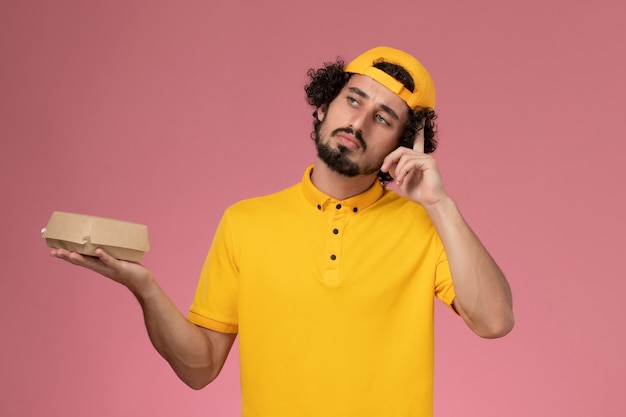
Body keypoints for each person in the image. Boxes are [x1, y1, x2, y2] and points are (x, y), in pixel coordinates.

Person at [50, 46, 514, 417]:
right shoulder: (244, 222)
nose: (358, 122)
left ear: (403, 145)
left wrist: (439, 203)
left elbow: (494, 321)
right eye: (353, 100)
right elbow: (200, 368)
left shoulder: (426, 226)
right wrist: (145, 287)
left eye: (384, 118)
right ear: (323, 107)